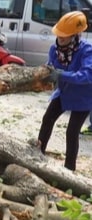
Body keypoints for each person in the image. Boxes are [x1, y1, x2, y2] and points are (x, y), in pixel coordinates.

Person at [37, 11, 92, 171]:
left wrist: (62, 74)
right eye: (59, 36)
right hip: (63, 93)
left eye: (64, 36)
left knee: (72, 131)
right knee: (47, 120)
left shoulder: (87, 50)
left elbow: (87, 75)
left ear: (75, 35)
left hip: (83, 97)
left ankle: (69, 169)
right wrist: (46, 75)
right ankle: (37, 154)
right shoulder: (54, 49)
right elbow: (50, 66)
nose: (60, 39)